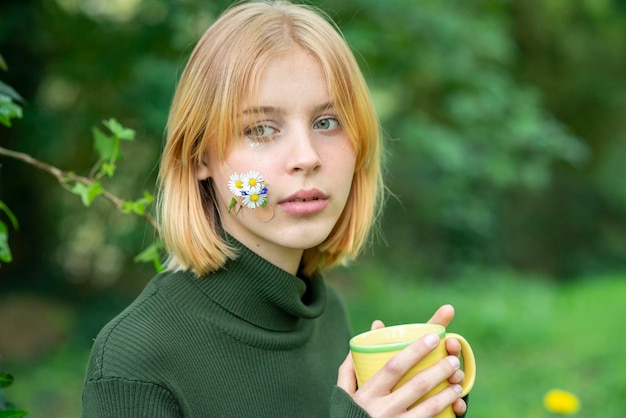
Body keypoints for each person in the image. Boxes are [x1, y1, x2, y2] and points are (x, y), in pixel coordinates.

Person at [81, 1, 469, 417]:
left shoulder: (329, 316)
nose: (306, 157)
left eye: (326, 122)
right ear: (198, 157)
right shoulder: (135, 360)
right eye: (261, 129)